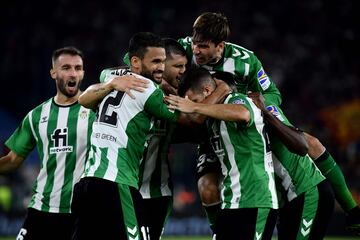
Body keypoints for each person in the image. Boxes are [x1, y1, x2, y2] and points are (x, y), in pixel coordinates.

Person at [178, 11, 360, 232]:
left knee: (311, 144)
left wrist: (261, 110)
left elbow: (272, 93)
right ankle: (220, 231)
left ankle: (352, 211)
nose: (196, 50)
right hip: (212, 127)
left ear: (220, 45)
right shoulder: (185, 48)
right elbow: (151, 54)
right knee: (207, 187)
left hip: (243, 121)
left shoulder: (245, 60)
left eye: (204, 46)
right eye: (195, 43)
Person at [71, 32, 185, 240]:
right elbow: (185, 117)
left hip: (87, 183)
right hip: (117, 183)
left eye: (163, 61)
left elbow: (84, 99)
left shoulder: (111, 77)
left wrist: (110, 84)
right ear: (136, 62)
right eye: (156, 61)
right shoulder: (147, 88)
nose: (161, 67)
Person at [167, 67, 279, 239]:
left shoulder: (237, 99)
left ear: (207, 91)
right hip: (231, 202)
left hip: (256, 200)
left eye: (196, 100)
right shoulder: (212, 121)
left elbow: (243, 114)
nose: (196, 107)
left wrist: (195, 106)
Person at [0, 47, 94, 240]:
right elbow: (12, 160)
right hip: (42, 209)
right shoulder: (36, 116)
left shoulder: (96, 111)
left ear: (83, 73)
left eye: (78, 68)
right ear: (53, 73)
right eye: (66, 67)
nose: (73, 73)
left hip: (82, 212)